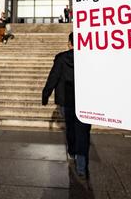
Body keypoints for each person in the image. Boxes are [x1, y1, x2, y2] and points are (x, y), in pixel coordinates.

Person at [42, 32, 91, 177]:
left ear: (69, 43)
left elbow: (53, 77)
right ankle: (81, 167)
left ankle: (71, 151)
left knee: (70, 128)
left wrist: (45, 94)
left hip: (66, 101)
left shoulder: (61, 58)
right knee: (83, 132)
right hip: (85, 101)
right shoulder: (88, 58)